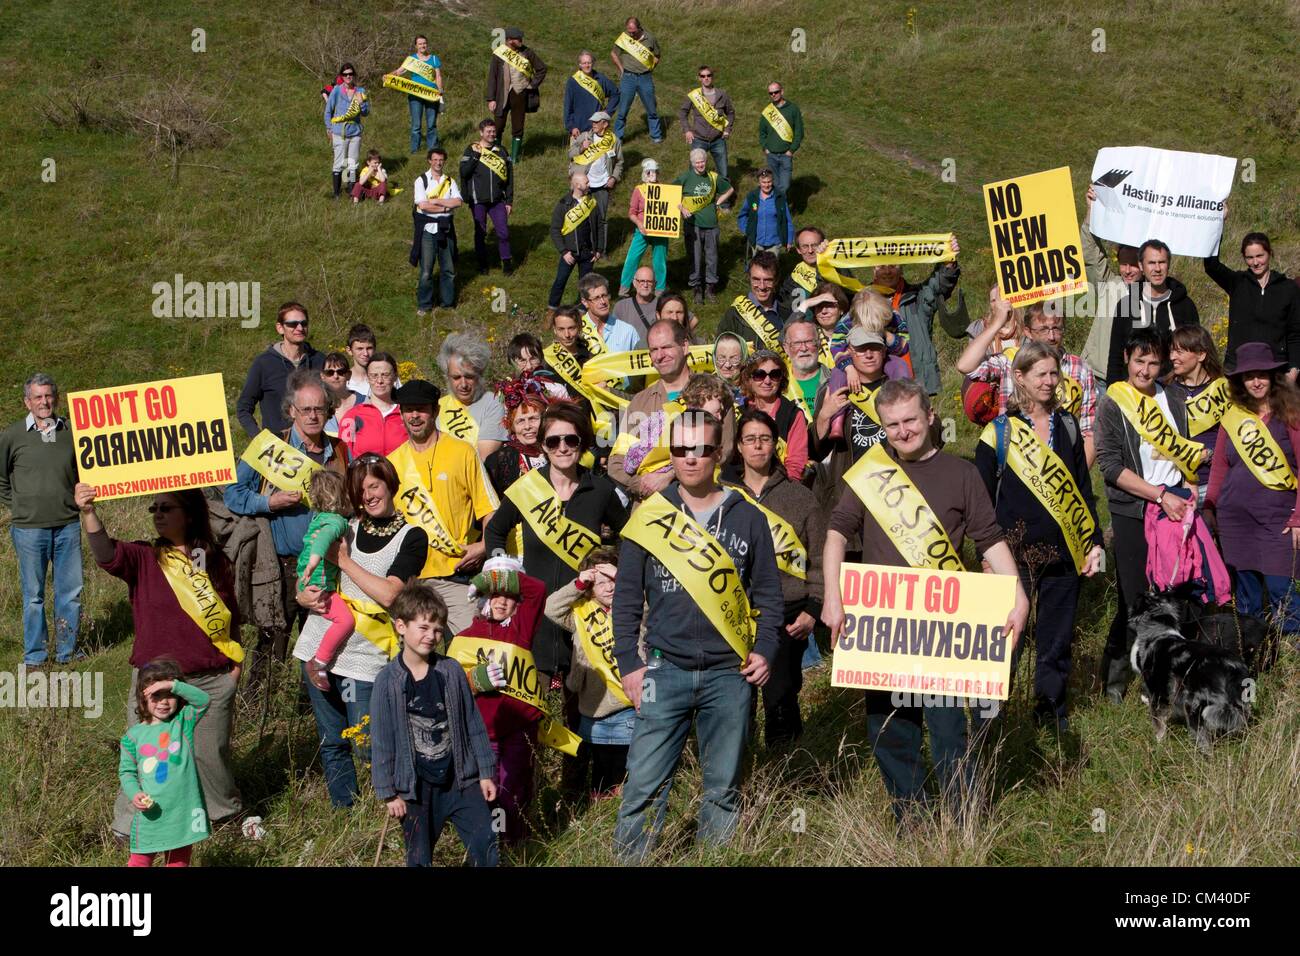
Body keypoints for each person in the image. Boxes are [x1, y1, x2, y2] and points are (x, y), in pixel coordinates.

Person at [821, 379, 1029, 824]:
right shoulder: (870, 471)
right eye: (892, 424)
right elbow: (837, 533)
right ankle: (913, 818)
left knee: (950, 732)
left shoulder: (962, 474)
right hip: (881, 627)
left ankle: (964, 821)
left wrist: (1019, 594)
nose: (903, 431)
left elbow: (990, 541)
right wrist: (833, 600)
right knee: (890, 732)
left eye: (910, 420)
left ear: (930, 416)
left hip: (945, 630)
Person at [612, 409, 784, 858]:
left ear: (719, 453)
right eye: (681, 449)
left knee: (723, 790)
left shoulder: (748, 517)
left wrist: (765, 649)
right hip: (663, 671)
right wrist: (630, 664)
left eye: (701, 450)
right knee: (643, 790)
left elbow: (768, 594)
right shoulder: (649, 516)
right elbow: (626, 598)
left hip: (730, 675)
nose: (690, 459)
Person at [76, 484, 244, 837]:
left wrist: (234, 669)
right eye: (154, 510)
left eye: (166, 508)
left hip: (210, 679)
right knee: (146, 755)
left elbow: (230, 615)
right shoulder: (144, 557)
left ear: (190, 514)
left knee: (209, 755)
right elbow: (106, 555)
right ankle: (130, 827)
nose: (158, 515)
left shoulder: (214, 560)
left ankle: (222, 818)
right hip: (154, 681)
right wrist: (89, 511)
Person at [974, 342, 1103, 731]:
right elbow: (979, 502)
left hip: (1064, 553)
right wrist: (985, 554)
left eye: (1053, 373)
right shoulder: (998, 432)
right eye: (1040, 374)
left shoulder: (1066, 426)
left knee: (1056, 641)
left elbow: (1082, 489)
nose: (1049, 382)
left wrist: (1094, 540)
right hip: (1012, 556)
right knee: (1005, 641)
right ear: (1020, 378)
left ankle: (1050, 713)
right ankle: (988, 719)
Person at [294, 456, 430, 808]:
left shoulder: (411, 537)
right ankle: (347, 812)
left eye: (374, 485)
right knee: (332, 740)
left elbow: (390, 593)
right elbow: (309, 564)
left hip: (366, 657)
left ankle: (387, 806)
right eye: (361, 489)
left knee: (366, 742)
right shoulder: (345, 525)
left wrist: (345, 562)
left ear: (389, 485)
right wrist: (301, 594)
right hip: (317, 644)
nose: (368, 495)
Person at [1096, 328, 1205, 703]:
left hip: (1175, 507)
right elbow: (1109, 466)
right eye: (1139, 360)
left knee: (1175, 592)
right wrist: (1158, 496)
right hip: (1135, 510)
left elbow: (1186, 449)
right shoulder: (1113, 402)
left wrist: (1188, 484)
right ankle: (1114, 678)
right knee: (1135, 599)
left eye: (1153, 361)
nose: (1145, 369)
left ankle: (1165, 678)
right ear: (1126, 358)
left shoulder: (1173, 397)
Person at [486, 400, 629, 679]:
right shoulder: (527, 488)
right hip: (533, 613)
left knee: (582, 705)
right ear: (543, 446)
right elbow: (494, 531)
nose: (562, 448)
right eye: (553, 442)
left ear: (582, 443)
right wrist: (501, 571)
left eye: (570, 440)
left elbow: (628, 535)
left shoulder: (599, 489)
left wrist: (613, 570)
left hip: (584, 615)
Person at [371, 581, 500, 868]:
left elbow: (473, 724)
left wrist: (486, 773)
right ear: (401, 626)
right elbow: (381, 740)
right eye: (424, 627)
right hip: (416, 789)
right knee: (419, 857)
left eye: (438, 629)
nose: (431, 636)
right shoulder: (387, 681)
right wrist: (389, 792)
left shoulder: (451, 671)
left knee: (486, 845)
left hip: (461, 780)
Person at [226, 370, 348, 668]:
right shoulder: (269, 445)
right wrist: (269, 502)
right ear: (291, 410)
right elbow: (233, 493)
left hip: (327, 565)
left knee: (321, 639)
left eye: (319, 409)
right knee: (272, 638)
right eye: (305, 409)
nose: (312, 416)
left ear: (329, 411)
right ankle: (258, 706)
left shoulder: (340, 450)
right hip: (281, 563)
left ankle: (311, 707)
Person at [722, 408, 824, 746]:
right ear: (738, 446)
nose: (758, 446)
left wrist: (814, 607)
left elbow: (821, 558)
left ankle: (789, 773)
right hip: (731, 611)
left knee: (780, 695)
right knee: (736, 698)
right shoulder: (720, 496)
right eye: (750, 439)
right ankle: (742, 771)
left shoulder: (800, 497)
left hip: (787, 610)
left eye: (765, 439)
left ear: (775, 445)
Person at [1203, 342, 1300, 645]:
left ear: (1273, 377)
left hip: (1278, 519)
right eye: (1249, 376)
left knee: (1281, 587)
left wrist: (1298, 517)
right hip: (1236, 522)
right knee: (1246, 595)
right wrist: (1209, 507)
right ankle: (1255, 652)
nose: (1256, 382)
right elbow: (1219, 467)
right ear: (1240, 382)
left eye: (1262, 375)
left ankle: (1289, 657)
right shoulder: (1233, 418)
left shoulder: (1291, 414)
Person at [387, 379, 497, 638]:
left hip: (457, 576)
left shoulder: (463, 452)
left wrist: (482, 546)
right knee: (415, 664)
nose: (414, 416)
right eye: (408, 409)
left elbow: (490, 509)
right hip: (412, 581)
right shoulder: (392, 463)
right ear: (401, 414)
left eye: (421, 409)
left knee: (470, 653)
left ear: (435, 411)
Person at [453, 561, 546, 845]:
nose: (502, 602)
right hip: (483, 732)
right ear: (483, 599)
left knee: (513, 789)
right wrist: (474, 680)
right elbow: (450, 688)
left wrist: (491, 579)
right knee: (484, 790)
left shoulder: (520, 630)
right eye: (495, 595)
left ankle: (513, 845)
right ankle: (486, 848)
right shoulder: (464, 637)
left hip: (519, 728)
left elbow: (538, 589)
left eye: (508, 596)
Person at [957, 296, 1099, 465]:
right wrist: (996, 324)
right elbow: (966, 365)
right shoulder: (1010, 361)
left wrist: (1077, 475)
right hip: (1014, 461)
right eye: (1043, 330)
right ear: (1027, 332)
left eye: (1057, 328)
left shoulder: (1081, 369)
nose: (1052, 336)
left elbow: (1090, 430)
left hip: (1061, 469)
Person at [1, 373, 82, 665]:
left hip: (68, 526)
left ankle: (67, 653)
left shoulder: (72, 432)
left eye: (48, 396)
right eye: (37, 397)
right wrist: (20, 505)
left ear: (55, 398)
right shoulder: (11, 435)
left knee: (70, 593)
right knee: (34, 597)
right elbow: (1, 479)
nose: (44, 402)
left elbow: (83, 474)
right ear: (27, 401)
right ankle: (35, 657)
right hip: (29, 529)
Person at [608, 320, 735, 500]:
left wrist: (670, 477)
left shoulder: (715, 393)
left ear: (684, 346)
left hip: (701, 504)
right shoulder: (639, 402)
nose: (660, 356)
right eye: (654, 350)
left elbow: (724, 451)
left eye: (666, 347)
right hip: (650, 509)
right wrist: (644, 484)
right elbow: (617, 462)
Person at [544, 548, 630, 797]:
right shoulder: (580, 614)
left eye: (613, 580)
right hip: (595, 707)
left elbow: (649, 602)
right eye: (601, 583)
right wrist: (580, 581)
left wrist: (623, 578)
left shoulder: (632, 607)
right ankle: (599, 818)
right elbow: (551, 607)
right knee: (601, 775)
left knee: (627, 772)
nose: (609, 587)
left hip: (630, 704)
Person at [118, 659, 211, 867]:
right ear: (143, 698)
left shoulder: (183, 723)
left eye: (169, 695)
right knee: (139, 861)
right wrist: (135, 794)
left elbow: (203, 700)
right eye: (156, 695)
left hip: (182, 812)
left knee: (178, 863)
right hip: (151, 814)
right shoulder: (133, 736)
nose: (163, 701)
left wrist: (172, 684)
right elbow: (127, 772)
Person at [810, 328, 903, 511]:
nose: (868, 355)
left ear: (884, 351)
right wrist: (824, 415)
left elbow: (933, 438)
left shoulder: (900, 387)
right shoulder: (833, 390)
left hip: (894, 492)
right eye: (861, 349)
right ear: (849, 352)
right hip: (848, 494)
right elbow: (816, 452)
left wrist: (925, 418)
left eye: (874, 348)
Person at [621, 373, 734, 503]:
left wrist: (669, 475)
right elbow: (631, 458)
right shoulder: (664, 420)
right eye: (719, 400)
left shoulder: (712, 427)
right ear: (703, 395)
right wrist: (643, 479)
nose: (721, 412)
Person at [870, 237, 962, 396]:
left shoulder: (916, 297)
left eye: (892, 265)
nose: (887, 271)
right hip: (875, 385)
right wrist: (824, 258)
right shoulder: (862, 300)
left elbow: (938, 285)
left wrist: (948, 261)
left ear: (901, 269)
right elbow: (837, 292)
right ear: (873, 270)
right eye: (881, 266)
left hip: (916, 385)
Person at [1105, 239, 1200, 384]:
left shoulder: (1185, 305)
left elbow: (1196, 351)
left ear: (1168, 264)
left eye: (1161, 262)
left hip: (1175, 389)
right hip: (1134, 391)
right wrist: (1113, 393)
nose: (1157, 268)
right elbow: (1116, 356)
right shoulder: (1126, 304)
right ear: (1141, 266)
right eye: (1151, 263)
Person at [1204, 231, 1300, 375]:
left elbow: (1295, 334)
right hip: (1238, 368)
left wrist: (1293, 371)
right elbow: (1211, 265)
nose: (1255, 262)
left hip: (1275, 368)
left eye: (1260, 256)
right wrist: (1218, 225)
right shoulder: (1237, 282)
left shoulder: (1288, 288)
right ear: (1244, 258)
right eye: (1249, 257)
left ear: (1270, 253)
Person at [298, 469, 357, 692]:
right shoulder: (336, 521)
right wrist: (315, 561)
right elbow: (323, 539)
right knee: (345, 621)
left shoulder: (318, 517)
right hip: (318, 581)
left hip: (308, 579)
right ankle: (319, 661)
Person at [1079, 185, 1141, 385]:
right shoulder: (1110, 284)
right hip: (1095, 377)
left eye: (1135, 264)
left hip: (1131, 382)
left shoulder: (1156, 293)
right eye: (1123, 263)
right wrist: (1091, 212)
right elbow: (1090, 254)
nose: (1128, 270)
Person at [236, 301, 325, 438]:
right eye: (293, 324)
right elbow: (243, 408)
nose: (300, 328)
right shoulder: (263, 363)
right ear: (280, 328)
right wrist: (259, 438)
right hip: (279, 449)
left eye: (304, 323)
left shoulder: (320, 360)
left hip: (316, 445)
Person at [1166, 324, 1227, 505]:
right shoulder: (1164, 390)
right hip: (1175, 485)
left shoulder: (1224, 389)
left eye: (1179, 352)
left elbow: (1235, 438)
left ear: (1201, 354)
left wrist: (1209, 454)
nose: (1172, 357)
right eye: (1171, 351)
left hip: (1216, 483)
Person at [437, 333, 509, 460]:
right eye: (456, 377)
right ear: (447, 377)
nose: (463, 384)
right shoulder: (438, 406)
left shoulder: (492, 403)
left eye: (469, 377)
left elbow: (484, 458)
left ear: (479, 375)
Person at [674, 149, 733, 303]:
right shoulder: (686, 177)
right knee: (695, 257)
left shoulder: (713, 177)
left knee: (712, 258)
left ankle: (710, 287)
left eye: (703, 161)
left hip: (712, 224)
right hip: (692, 226)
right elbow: (669, 193)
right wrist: (681, 208)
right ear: (692, 163)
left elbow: (729, 189)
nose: (700, 164)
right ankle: (696, 288)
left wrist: (718, 202)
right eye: (697, 162)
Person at [740, 350, 808, 482]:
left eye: (774, 374)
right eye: (759, 375)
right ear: (749, 379)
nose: (767, 381)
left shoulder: (793, 414)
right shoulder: (738, 413)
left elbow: (796, 464)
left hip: (782, 488)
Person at [459, 118, 515, 275]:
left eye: (493, 131)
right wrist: (476, 156)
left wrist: (509, 201)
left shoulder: (502, 150)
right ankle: (482, 265)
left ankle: (507, 264)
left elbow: (510, 178)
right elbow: (464, 172)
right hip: (478, 201)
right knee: (480, 233)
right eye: (488, 131)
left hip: (498, 201)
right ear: (481, 133)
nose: (492, 134)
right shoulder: (471, 149)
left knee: (503, 233)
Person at [485, 27, 547, 163]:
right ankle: (498, 154)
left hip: (520, 94)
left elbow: (542, 69)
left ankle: (514, 159)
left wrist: (531, 85)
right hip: (501, 95)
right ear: (509, 41)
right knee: (498, 126)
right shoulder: (499, 54)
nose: (521, 41)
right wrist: (491, 99)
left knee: (518, 126)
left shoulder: (527, 52)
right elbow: (492, 77)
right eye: (518, 39)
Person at [413, 147, 463, 316]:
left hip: (445, 229)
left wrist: (439, 201)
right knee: (426, 270)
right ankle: (424, 305)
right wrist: (445, 208)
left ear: (444, 161)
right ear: (429, 161)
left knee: (448, 269)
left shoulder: (450, 181)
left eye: (441, 160)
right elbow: (423, 205)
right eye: (435, 159)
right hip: (428, 230)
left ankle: (447, 304)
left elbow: (457, 202)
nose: (438, 163)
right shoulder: (421, 180)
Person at [568, 111, 623, 256]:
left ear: (605, 124)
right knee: (581, 216)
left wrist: (613, 178)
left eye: (596, 122)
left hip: (603, 186)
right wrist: (581, 148)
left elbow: (619, 162)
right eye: (592, 121)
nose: (593, 124)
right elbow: (570, 154)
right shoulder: (585, 136)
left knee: (601, 219)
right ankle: (582, 248)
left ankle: (601, 251)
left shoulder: (614, 141)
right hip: (584, 185)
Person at [483, 380, 548, 502]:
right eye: (521, 421)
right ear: (512, 426)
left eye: (533, 419)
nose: (527, 426)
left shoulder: (558, 449)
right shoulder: (499, 461)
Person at [548, 172, 601, 313]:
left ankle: (583, 313)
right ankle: (551, 310)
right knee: (560, 281)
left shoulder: (592, 203)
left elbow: (600, 227)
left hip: (588, 253)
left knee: (587, 286)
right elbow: (554, 230)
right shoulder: (563, 204)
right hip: (569, 253)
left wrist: (599, 249)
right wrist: (564, 252)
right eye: (586, 182)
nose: (589, 184)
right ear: (578, 185)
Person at [717, 251, 790, 349]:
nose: (762, 286)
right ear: (749, 278)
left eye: (768, 280)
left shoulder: (787, 313)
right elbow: (720, 351)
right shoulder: (734, 314)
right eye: (756, 279)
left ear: (776, 280)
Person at [338, 351, 406, 457]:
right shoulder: (351, 416)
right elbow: (343, 456)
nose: (379, 381)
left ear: (395, 376)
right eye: (374, 376)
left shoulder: (408, 414)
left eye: (385, 375)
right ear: (367, 378)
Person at [617, 162, 669, 300]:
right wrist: (639, 224)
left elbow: (670, 209)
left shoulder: (664, 189)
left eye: (656, 172)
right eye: (650, 172)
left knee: (660, 261)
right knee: (632, 258)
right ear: (645, 173)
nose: (654, 175)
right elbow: (632, 212)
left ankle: (660, 291)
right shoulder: (639, 190)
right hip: (642, 230)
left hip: (660, 231)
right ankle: (624, 290)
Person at [386, 34, 443, 153]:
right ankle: (414, 150)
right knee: (416, 125)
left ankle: (432, 149)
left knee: (431, 123)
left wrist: (440, 90)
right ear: (416, 46)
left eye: (424, 43)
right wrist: (388, 76)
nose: (423, 45)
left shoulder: (434, 59)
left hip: (431, 94)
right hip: (415, 95)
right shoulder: (411, 59)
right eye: (420, 44)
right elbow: (399, 72)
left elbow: (438, 76)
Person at [678, 64, 735, 183]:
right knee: (694, 172)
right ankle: (692, 197)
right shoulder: (694, 95)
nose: (706, 78)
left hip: (718, 139)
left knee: (723, 172)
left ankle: (724, 200)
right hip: (699, 139)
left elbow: (730, 113)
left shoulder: (722, 95)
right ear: (699, 78)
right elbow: (683, 112)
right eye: (703, 76)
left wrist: (727, 129)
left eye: (709, 75)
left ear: (712, 77)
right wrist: (687, 130)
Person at [610, 17, 663, 143]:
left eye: (633, 31)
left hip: (645, 77)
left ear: (639, 28)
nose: (631, 34)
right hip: (628, 78)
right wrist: (621, 69)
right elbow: (613, 53)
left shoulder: (650, 38)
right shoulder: (624, 38)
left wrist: (651, 67)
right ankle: (618, 138)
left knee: (651, 108)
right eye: (629, 31)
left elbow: (657, 55)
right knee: (623, 110)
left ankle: (656, 136)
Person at [324, 62, 368, 198]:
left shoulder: (360, 91)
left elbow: (366, 113)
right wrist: (329, 128)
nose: (348, 76)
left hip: (355, 132)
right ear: (341, 76)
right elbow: (328, 111)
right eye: (345, 74)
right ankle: (336, 193)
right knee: (339, 162)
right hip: (339, 132)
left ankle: (351, 190)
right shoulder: (337, 90)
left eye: (350, 74)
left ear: (354, 75)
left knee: (352, 163)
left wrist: (361, 104)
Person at [737, 167, 794, 264]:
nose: (767, 185)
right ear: (759, 182)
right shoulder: (752, 197)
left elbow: (787, 220)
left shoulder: (780, 197)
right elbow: (742, 215)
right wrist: (747, 230)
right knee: (757, 267)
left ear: (772, 181)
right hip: (757, 241)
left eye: (769, 182)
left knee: (771, 269)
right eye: (764, 182)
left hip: (774, 242)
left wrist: (789, 240)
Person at [759, 81, 803, 199]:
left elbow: (799, 132)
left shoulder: (793, 109)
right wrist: (765, 148)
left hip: (785, 155)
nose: (773, 95)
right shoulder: (767, 111)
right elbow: (762, 133)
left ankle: (777, 206)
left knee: (784, 185)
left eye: (776, 92)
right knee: (774, 185)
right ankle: (779, 211)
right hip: (771, 155)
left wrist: (791, 150)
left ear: (782, 91)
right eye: (771, 93)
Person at [579, 272, 641, 354]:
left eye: (604, 295)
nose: (603, 301)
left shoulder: (628, 331)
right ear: (585, 302)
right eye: (596, 298)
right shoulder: (577, 331)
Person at [564, 50, 620, 139]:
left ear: (593, 63)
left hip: (598, 127)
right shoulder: (573, 81)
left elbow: (615, 94)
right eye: (584, 63)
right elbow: (568, 106)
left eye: (589, 62)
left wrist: (607, 112)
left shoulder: (601, 79)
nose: (587, 65)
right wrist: (571, 127)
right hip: (578, 128)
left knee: (600, 152)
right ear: (580, 65)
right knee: (579, 152)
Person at [783, 315, 828, 422]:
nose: (803, 348)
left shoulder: (837, 380)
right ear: (786, 348)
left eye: (809, 341)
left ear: (819, 344)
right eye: (797, 343)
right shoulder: (776, 384)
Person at [781, 227, 837, 312]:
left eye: (814, 245)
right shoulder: (793, 278)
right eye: (805, 246)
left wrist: (827, 257)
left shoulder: (837, 269)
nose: (810, 251)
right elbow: (784, 308)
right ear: (798, 250)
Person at [615, 261, 661, 340]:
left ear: (655, 284)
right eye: (642, 281)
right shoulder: (621, 306)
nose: (645, 285)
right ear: (634, 283)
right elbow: (614, 334)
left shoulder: (663, 304)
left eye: (649, 281)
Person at [322, 352, 358, 438]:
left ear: (349, 375)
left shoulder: (365, 403)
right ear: (322, 376)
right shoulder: (316, 405)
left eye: (341, 372)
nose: (335, 376)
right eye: (330, 372)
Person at [344, 323, 377, 398]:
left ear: (374, 349)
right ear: (349, 350)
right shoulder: (343, 382)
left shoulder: (387, 378)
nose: (365, 353)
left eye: (369, 348)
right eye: (360, 349)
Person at [713, 332, 749, 399]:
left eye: (734, 359)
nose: (727, 365)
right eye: (721, 358)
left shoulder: (754, 390)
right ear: (714, 359)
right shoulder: (707, 391)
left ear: (743, 359)